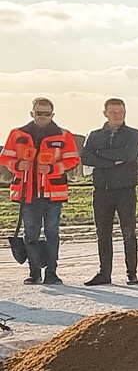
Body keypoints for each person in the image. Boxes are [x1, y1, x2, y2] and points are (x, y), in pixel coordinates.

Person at [2, 97, 82, 285]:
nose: (43, 116)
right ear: (32, 113)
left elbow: (73, 160)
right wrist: (17, 165)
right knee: (30, 234)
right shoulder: (17, 134)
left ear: (52, 115)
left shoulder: (64, 135)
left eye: (46, 113)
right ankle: (34, 272)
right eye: (39, 113)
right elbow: (4, 158)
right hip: (28, 193)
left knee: (52, 233)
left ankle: (52, 272)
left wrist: (54, 168)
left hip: (52, 194)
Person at [81, 97, 138, 286]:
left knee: (128, 232)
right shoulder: (94, 135)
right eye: (113, 112)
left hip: (125, 191)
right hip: (102, 192)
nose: (117, 115)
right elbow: (86, 157)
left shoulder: (133, 134)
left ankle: (131, 273)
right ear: (105, 113)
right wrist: (111, 161)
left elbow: (128, 155)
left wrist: (99, 154)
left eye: (121, 112)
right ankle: (104, 273)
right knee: (103, 234)